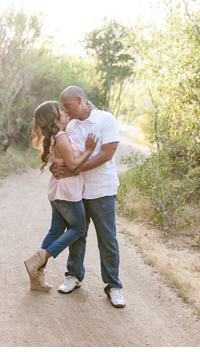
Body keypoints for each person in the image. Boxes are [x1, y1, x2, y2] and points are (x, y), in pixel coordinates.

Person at [50, 85, 125, 308]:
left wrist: (75, 169)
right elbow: (63, 151)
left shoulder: (106, 120)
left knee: (107, 239)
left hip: (102, 190)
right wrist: (57, 167)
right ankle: (73, 276)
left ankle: (114, 286)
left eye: (67, 106)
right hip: (77, 191)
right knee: (76, 235)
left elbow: (107, 153)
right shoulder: (70, 126)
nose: (65, 110)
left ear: (80, 100)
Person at [24, 101, 98, 291]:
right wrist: (89, 150)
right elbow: (73, 166)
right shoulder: (61, 136)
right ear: (55, 119)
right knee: (79, 228)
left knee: (55, 230)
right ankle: (38, 260)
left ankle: (37, 276)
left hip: (58, 190)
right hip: (67, 192)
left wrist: (89, 108)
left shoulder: (56, 136)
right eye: (61, 111)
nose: (65, 112)